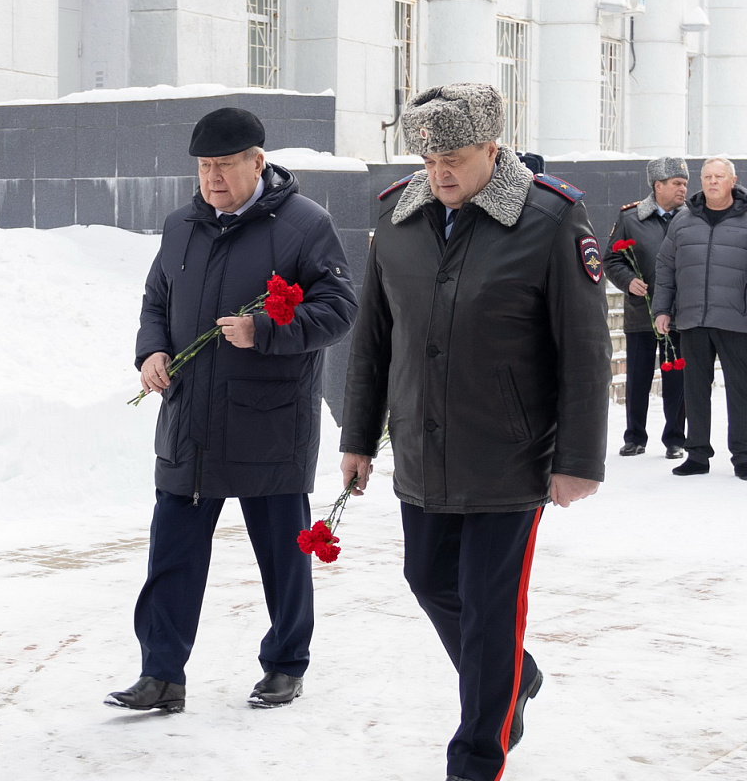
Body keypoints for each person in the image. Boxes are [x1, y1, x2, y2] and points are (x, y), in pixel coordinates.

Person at [340, 83, 610, 781]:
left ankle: (477, 759)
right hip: (422, 451)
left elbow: (584, 349)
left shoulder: (551, 218)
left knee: (490, 611)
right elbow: (373, 339)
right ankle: (513, 676)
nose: (439, 173)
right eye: (428, 159)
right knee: (427, 579)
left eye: (454, 157)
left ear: (494, 148)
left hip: (509, 456)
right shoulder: (397, 220)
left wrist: (577, 459)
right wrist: (358, 438)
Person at [107, 107, 358, 713]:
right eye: (204, 167)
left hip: (269, 421)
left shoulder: (304, 226)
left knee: (280, 553)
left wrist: (265, 328)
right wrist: (152, 352)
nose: (212, 178)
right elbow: (155, 300)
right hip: (191, 420)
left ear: (257, 161)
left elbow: (340, 308)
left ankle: (285, 664)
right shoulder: (180, 226)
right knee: (171, 553)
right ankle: (161, 674)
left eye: (224, 165)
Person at [652, 157, 747, 482]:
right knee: (695, 388)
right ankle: (697, 453)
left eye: (719, 177)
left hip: (737, 317)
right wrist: (662, 308)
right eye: (707, 176)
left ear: (733, 180)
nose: (712, 182)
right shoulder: (683, 221)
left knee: (739, 388)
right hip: (693, 318)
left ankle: (742, 456)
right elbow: (666, 265)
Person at [604, 158, 690, 459]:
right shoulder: (630, 218)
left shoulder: (691, 217)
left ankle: (676, 439)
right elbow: (611, 260)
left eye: (685, 183)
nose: (683, 189)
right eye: (677, 183)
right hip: (642, 312)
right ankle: (635, 437)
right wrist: (628, 282)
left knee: (676, 379)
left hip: (680, 315)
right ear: (659, 186)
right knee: (638, 377)